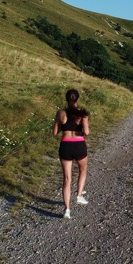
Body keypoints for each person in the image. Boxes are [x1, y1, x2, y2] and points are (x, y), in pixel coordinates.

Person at [53, 89, 90, 219]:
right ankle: (79, 196)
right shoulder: (83, 114)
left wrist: (59, 122)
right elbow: (87, 132)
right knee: (83, 170)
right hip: (79, 145)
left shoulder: (60, 113)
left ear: (66, 99)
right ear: (77, 99)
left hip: (65, 146)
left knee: (67, 179)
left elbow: (54, 132)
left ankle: (67, 210)